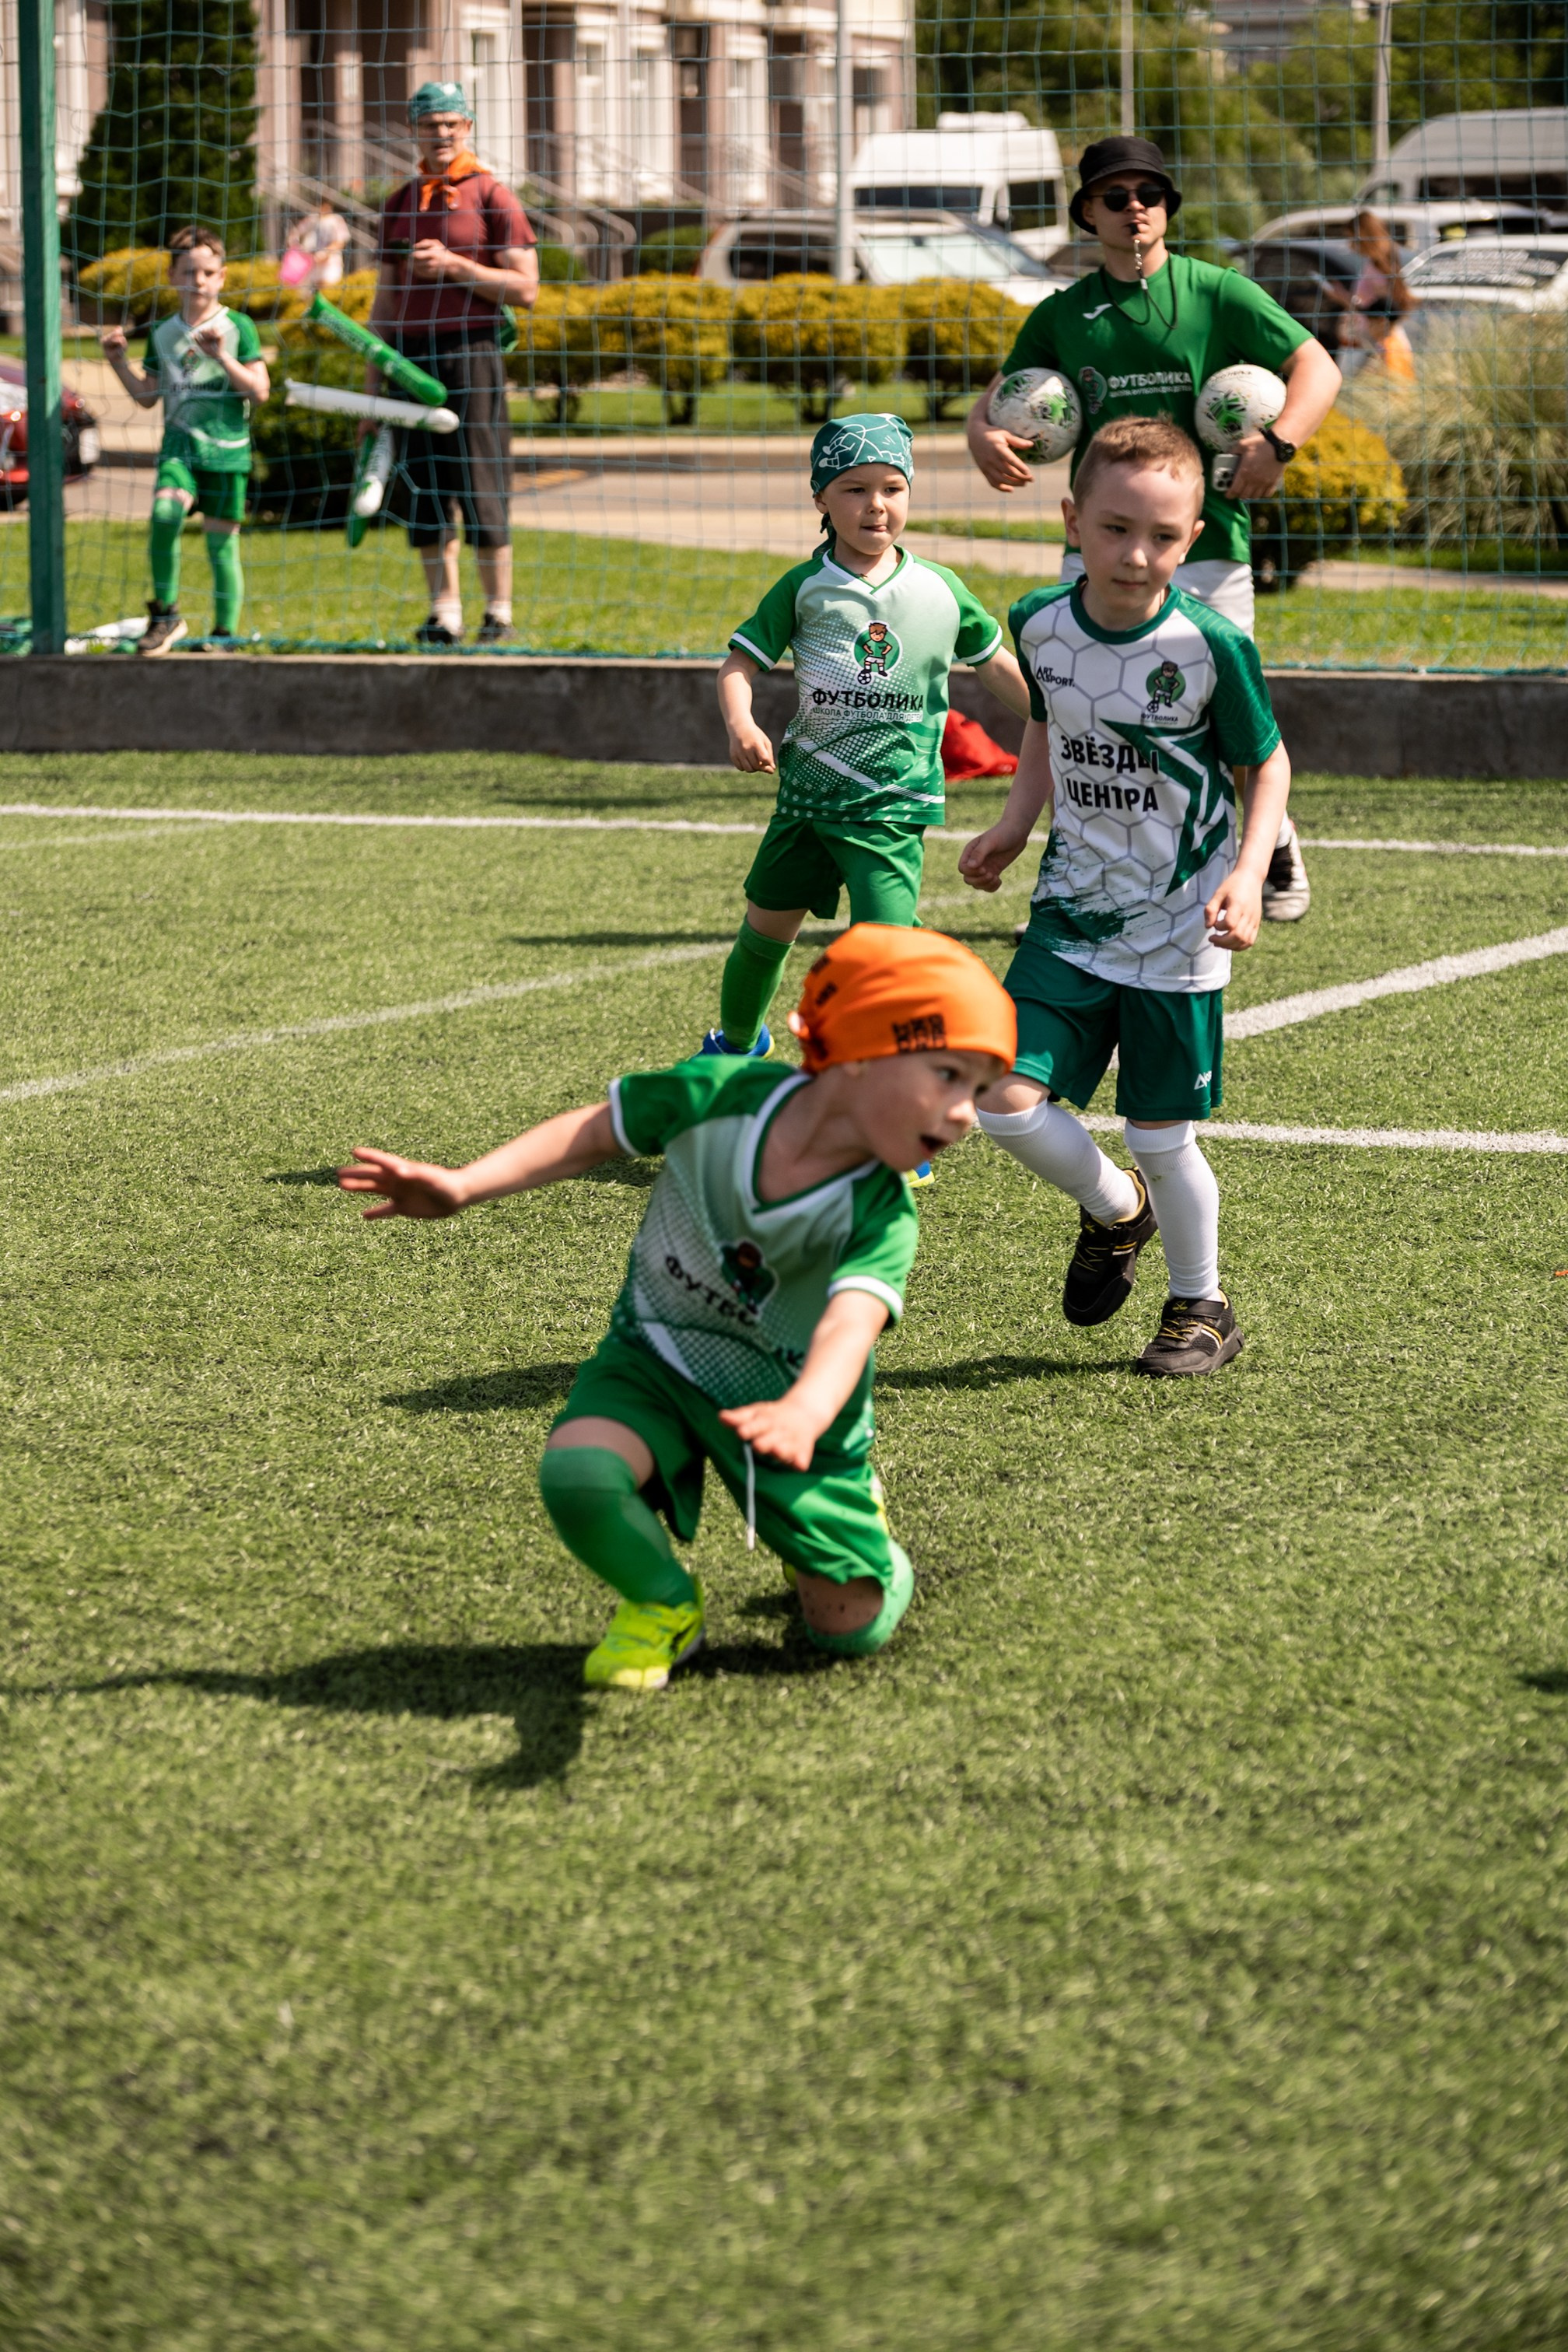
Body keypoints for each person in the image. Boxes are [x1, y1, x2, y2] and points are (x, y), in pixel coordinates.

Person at [338, 924, 1016, 1692]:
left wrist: (803, 1409)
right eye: (950, 1076)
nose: (966, 1113)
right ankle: (663, 1605)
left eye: (980, 1091)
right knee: (579, 1475)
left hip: (794, 1416)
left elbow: (850, 1323)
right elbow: (598, 1133)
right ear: (862, 1050)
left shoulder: (883, 1211)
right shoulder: (716, 1095)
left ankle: (866, 1546)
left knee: (848, 1633)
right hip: (656, 1356)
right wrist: (464, 1184)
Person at [959, 415, 1292, 1377]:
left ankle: (1203, 1302)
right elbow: (1046, 726)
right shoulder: (1039, 622)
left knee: (1159, 1131)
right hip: (1071, 912)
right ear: (1072, 520)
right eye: (1114, 530)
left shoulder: (1209, 645)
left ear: (1192, 540)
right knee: (1002, 1097)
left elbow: (1264, 768)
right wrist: (1017, 823)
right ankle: (1118, 1214)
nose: (1136, 555)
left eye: (1161, 537)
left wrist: (1245, 875)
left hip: (1180, 928)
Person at [966, 135, 1337, 924]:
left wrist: (1278, 444)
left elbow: (1318, 367)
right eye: (1114, 196)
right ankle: (1101, 873)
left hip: (1207, 546)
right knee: (1087, 714)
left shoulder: (1218, 292)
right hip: (1098, 550)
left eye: (1149, 194)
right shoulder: (1063, 315)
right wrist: (980, 435)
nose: (1133, 207)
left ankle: (1270, 844)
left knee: (1221, 717)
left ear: (1167, 208)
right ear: (1088, 214)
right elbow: (999, 397)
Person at [705, 412, 1031, 1124]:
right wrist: (742, 721)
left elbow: (999, 668)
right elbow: (739, 666)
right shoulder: (802, 588)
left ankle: (897, 1109)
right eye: (853, 489)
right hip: (804, 804)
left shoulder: (942, 589)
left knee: (891, 963)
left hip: (891, 808)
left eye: (891, 487)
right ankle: (732, 1051)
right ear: (820, 499)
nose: (875, 505)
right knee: (763, 935)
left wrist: (1058, 718)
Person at [366, 80, 539, 646]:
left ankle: (499, 613)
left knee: (481, 478)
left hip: (473, 352)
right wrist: (375, 382)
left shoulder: (494, 195)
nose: (440, 134)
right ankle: (444, 614)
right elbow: (384, 301)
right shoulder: (398, 202)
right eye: (430, 124)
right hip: (410, 360)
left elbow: (527, 288)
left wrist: (455, 266)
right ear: (413, 130)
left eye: (451, 124)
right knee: (425, 489)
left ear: (467, 128)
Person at [98, 226, 270, 656]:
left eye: (208, 272)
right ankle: (166, 615)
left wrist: (222, 357)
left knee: (220, 545)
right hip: (180, 447)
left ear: (222, 277)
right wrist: (119, 363)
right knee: (163, 514)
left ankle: (225, 634)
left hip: (227, 450)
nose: (198, 281)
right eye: (189, 271)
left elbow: (260, 391)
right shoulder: (162, 332)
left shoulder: (238, 327)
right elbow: (146, 397)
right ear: (172, 276)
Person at [1321, 210, 1417, 383]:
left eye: (1351, 237)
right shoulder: (1384, 260)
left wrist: (1341, 298)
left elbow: (1382, 309)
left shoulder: (1378, 267)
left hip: (1373, 341)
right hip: (1372, 338)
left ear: (1362, 235)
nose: (1350, 243)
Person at [291, 197, 351, 289]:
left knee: (328, 291)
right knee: (313, 294)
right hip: (312, 264)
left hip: (331, 264)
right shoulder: (312, 219)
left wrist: (325, 253)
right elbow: (295, 234)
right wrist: (300, 250)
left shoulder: (336, 220)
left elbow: (340, 241)